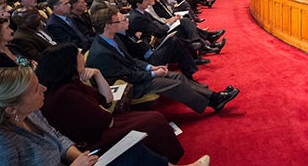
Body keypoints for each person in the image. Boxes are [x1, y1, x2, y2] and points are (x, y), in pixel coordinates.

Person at [0, 67, 210, 166]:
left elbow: (58, 138)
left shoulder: (30, 112)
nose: (44, 89)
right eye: (36, 89)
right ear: (10, 107)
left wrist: (76, 156)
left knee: (133, 151)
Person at [36, 43, 194, 164]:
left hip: (105, 124)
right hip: (96, 138)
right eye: (78, 56)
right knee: (152, 121)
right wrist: (102, 110)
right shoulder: (65, 93)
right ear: (68, 63)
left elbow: (107, 99)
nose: (82, 58)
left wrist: (97, 74)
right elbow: (106, 119)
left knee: (153, 118)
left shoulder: (72, 81)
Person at [86, 7, 239, 113]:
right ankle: (213, 101)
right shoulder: (101, 52)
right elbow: (127, 76)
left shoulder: (112, 39)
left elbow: (132, 60)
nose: (123, 22)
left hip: (138, 75)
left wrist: (150, 68)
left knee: (177, 76)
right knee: (176, 84)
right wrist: (153, 74)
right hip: (130, 86)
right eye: (118, 22)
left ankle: (214, 97)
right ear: (108, 26)